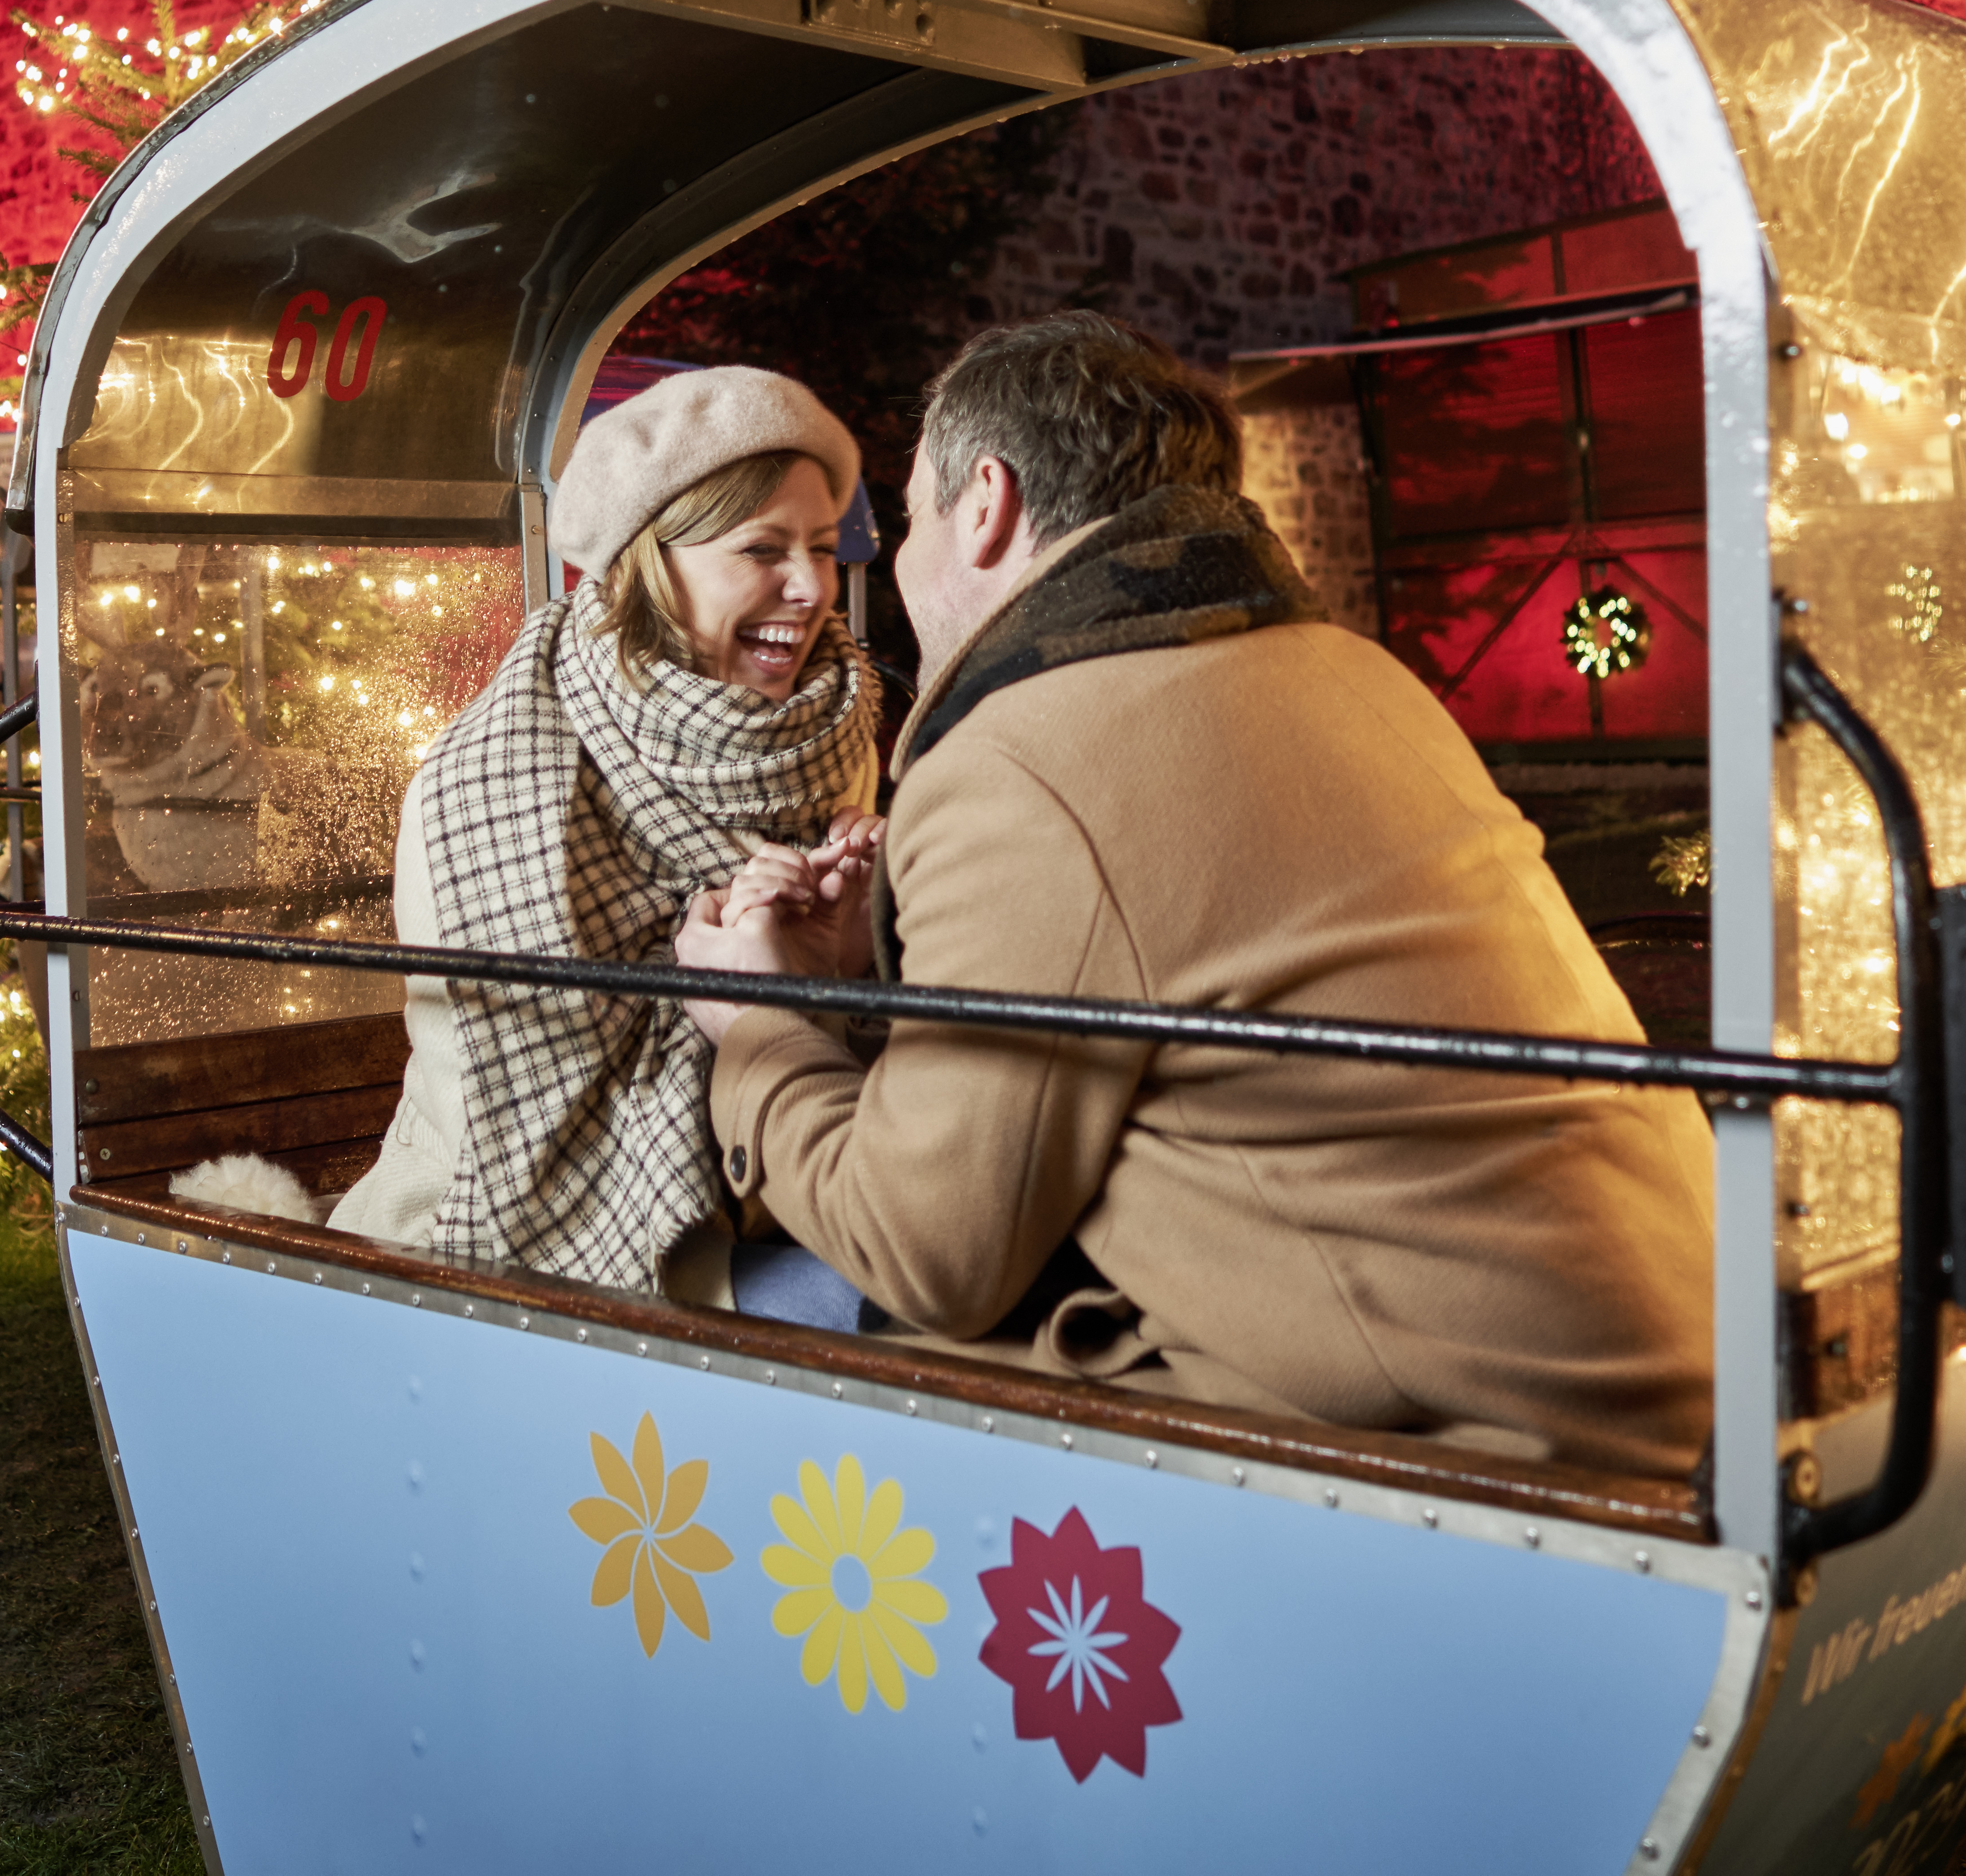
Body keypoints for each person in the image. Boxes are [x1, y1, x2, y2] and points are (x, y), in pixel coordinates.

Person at [672, 312, 1716, 1480]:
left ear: (986, 507)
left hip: (1471, 1434)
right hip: (1667, 1349)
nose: (893, 568)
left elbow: (928, 1256)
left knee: (729, 1322)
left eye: (911, 520)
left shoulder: (1020, 755)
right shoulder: (1355, 671)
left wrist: (754, 1023)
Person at [320, 366, 882, 1303]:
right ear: (653, 561)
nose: (809, 586)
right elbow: (525, 1094)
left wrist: (846, 956)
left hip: (786, 1182)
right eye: (762, 548)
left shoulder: (827, 738)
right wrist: (771, 976)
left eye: (823, 548)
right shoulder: (498, 780)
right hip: (505, 1231)